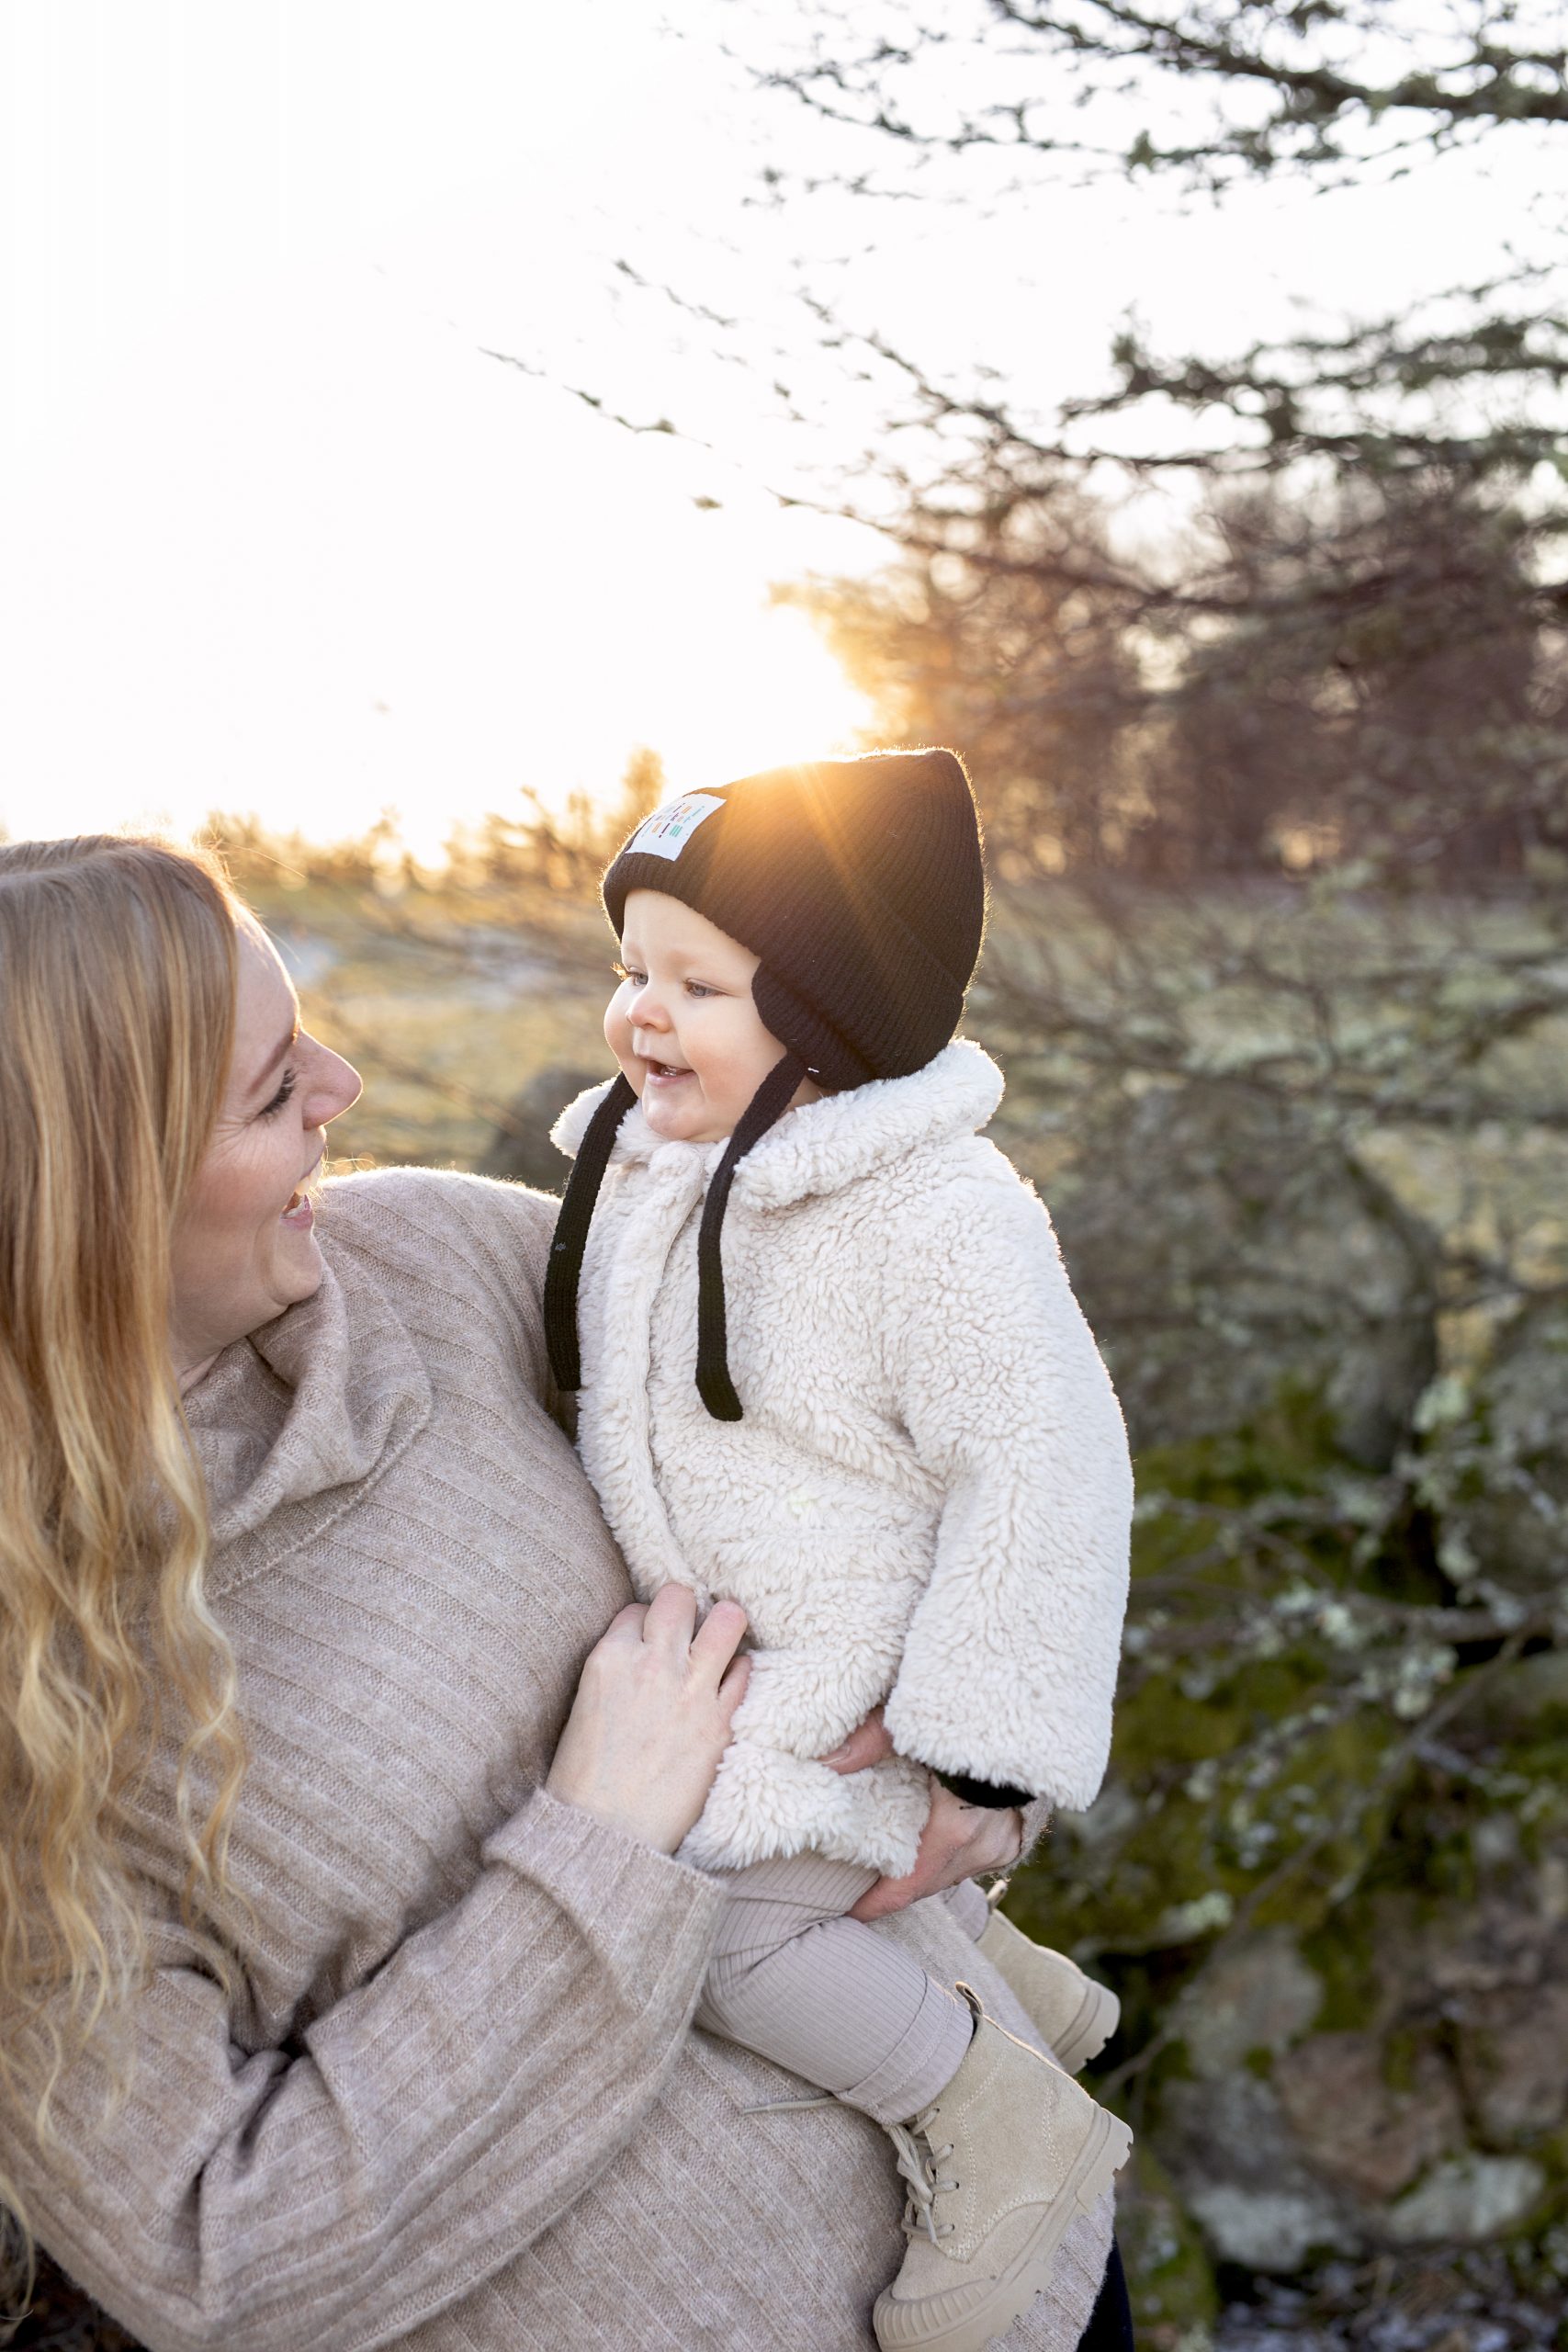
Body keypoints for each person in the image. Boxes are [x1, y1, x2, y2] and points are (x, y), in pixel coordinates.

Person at [0, 833, 1125, 2352]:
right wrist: (599, 1849)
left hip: (1023, 2276)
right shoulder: (39, 1692)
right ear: (81, 1204)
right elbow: (220, 2266)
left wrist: (985, 1759)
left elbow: (908, 1432)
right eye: (272, 1092)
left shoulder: (446, 1264)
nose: (340, 1088)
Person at [544, 750, 1135, 2352]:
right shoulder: (658, 1171)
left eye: (697, 982)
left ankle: (999, 2121)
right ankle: (1007, 1979)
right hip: (767, 1653)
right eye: (629, 970)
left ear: (831, 1011)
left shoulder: (935, 1221)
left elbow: (1050, 1467)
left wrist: (985, 1753)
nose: (639, 1016)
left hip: (875, 1682)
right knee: (734, 1853)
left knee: (719, 1927)